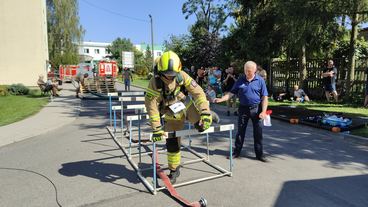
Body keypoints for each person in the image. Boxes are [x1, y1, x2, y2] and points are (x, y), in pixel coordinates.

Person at [145, 51, 213, 184]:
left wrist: (205, 112)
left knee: (202, 125)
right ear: (160, 70)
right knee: (172, 141)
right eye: (167, 74)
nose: (170, 77)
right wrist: (157, 128)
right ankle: (174, 169)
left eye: (173, 74)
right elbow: (151, 106)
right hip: (170, 111)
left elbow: (198, 92)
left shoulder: (181, 75)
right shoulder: (154, 82)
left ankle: (209, 114)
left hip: (183, 103)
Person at [214, 61, 269, 162]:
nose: (247, 73)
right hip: (243, 109)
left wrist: (264, 111)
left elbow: (265, 97)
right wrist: (221, 99)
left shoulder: (260, 80)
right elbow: (231, 93)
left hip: (256, 109)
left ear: (255, 70)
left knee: (258, 133)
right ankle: (236, 152)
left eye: (249, 71)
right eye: (245, 71)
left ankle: (259, 154)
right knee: (240, 132)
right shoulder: (240, 79)